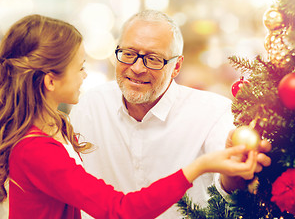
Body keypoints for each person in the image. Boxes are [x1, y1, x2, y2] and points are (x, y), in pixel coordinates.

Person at [0, 14, 266, 219]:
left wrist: (231, 162)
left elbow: (229, 185)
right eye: (127, 54)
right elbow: (120, 209)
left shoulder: (213, 110)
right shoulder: (58, 130)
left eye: (153, 59)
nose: (137, 68)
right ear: (50, 81)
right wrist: (198, 166)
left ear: (177, 67)